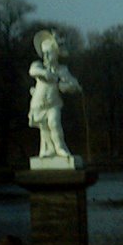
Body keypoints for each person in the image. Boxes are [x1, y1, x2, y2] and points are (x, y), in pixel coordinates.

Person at [27, 30, 82, 160]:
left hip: (53, 103)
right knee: (44, 128)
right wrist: (44, 73)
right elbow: (33, 71)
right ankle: (47, 151)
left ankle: (60, 148)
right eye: (44, 53)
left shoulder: (62, 70)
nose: (45, 56)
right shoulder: (39, 65)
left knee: (54, 122)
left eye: (48, 53)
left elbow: (74, 84)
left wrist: (71, 87)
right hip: (39, 104)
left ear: (55, 54)